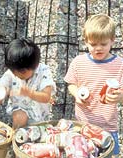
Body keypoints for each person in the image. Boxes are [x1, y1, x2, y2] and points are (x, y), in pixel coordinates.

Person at [64, 14, 122, 157]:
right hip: (83, 125)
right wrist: (76, 93)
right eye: (93, 44)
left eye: (103, 44)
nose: (98, 48)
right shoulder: (79, 62)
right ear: (86, 41)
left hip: (108, 127)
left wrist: (121, 97)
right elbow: (71, 84)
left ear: (113, 40)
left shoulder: (120, 64)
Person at [0, 38, 56, 129]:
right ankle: (16, 137)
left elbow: (46, 97)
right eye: (14, 72)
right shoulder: (12, 72)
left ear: (35, 65)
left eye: (22, 72)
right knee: (20, 117)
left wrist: (30, 93)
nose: (17, 75)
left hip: (39, 118)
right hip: (19, 114)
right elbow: (0, 86)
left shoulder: (43, 71)